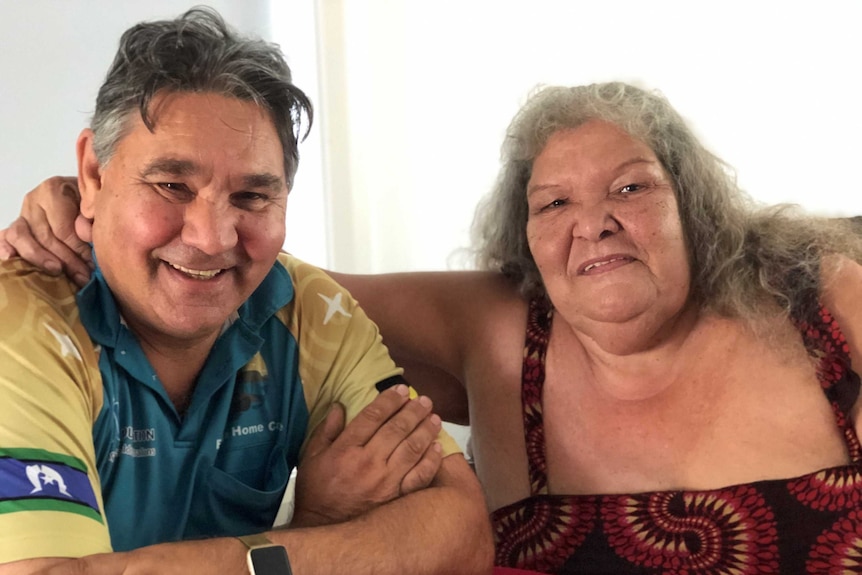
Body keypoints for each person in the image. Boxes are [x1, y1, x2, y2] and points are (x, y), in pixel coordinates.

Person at [5, 81, 862, 574]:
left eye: (632, 187)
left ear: (695, 201)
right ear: (522, 238)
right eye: (553, 201)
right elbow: (227, 265)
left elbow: (453, 536)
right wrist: (92, 205)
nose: (593, 221)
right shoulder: (497, 325)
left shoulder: (818, 299)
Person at [0, 8, 494, 575]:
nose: (211, 239)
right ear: (91, 176)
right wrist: (316, 532)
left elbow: (462, 534)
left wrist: (281, 552)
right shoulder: (18, 325)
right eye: (171, 185)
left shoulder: (308, 308)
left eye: (253, 197)